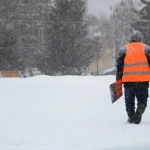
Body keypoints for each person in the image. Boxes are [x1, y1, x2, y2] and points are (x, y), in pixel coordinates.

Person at [116, 30, 150, 124]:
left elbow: (119, 67)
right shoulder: (147, 49)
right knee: (142, 99)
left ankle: (131, 116)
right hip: (143, 81)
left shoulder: (124, 49)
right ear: (141, 39)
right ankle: (139, 111)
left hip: (128, 81)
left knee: (129, 100)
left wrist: (118, 79)